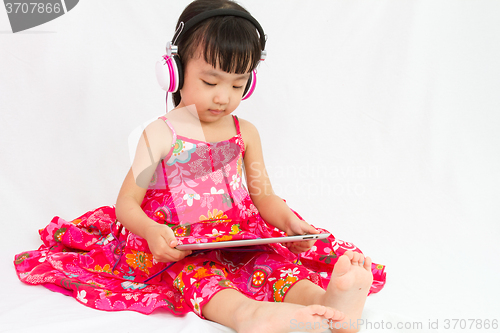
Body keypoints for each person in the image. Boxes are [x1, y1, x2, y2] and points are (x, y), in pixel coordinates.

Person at [14, 0, 386, 332]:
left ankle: (326, 302)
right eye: (210, 81)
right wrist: (152, 231)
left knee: (272, 263)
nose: (224, 97)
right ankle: (249, 315)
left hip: (239, 236)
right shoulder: (161, 134)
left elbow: (264, 195)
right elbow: (126, 203)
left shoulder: (246, 132)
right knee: (199, 278)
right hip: (178, 242)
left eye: (238, 85)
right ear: (175, 71)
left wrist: (289, 223)